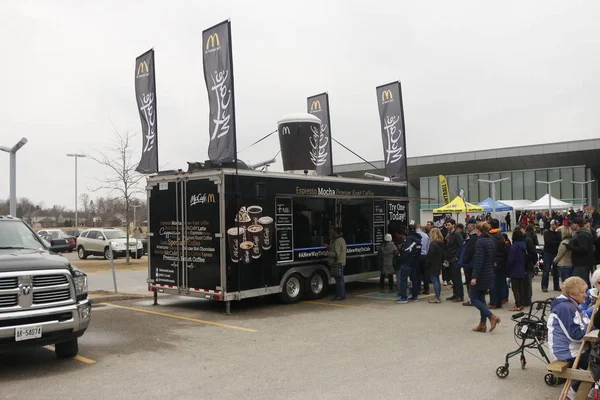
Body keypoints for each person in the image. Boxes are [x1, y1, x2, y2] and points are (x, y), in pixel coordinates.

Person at [547, 277, 590, 397]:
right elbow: (576, 335)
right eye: (582, 292)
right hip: (567, 352)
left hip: (576, 349)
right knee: (595, 364)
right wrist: (590, 328)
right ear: (572, 294)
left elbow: (585, 322)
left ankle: (581, 391)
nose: (585, 295)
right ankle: (573, 393)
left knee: (596, 357)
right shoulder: (564, 308)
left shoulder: (573, 305)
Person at [470, 222, 501, 333]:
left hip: (481, 274)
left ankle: (491, 317)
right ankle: (482, 324)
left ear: (478, 230)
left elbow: (478, 260)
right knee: (482, 298)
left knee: (474, 298)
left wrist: (474, 277)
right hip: (489, 272)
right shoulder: (490, 241)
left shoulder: (480, 242)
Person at [395, 225, 422, 304]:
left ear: (409, 230)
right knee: (414, 279)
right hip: (415, 262)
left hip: (407, 262)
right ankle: (414, 296)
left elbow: (407, 251)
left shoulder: (410, 239)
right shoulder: (419, 239)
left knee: (403, 280)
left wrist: (402, 256)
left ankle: (404, 297)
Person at [569, 217, 595, 288]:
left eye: (573, 224)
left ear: (576, 224)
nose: (571, 226)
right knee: (584, 281)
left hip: (581, 263)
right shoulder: (585, 233)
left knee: (581, 283)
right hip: (584, 262)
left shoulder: (582, 235)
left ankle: (586, 297)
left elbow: (583, 249)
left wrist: (571, 247)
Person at [489, 219, 509, 310]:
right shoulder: (501, 235)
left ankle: (494, 302)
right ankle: (502, 299)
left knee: (493, 282)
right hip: (502, 260)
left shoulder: (491, 236)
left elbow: (492, 250)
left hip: (494, 261)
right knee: (501, 281)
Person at [507, 229, 528, 311]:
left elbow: (511, 260)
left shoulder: (514, 247)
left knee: (515, 288)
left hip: (515, 269)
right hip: (522, 268)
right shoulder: (523, 246)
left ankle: (518, 305)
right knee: (520, 287)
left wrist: (508, 268)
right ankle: (521, 303)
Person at [459, 218, 478, 306]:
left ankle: (472, 299)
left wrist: (465, 260)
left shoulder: (473, 237)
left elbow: (470, 250)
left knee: (470, 281)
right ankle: (473, 298)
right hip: (470, 262)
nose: (467, 226)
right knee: (470, 281)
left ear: (472, 225)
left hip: (470, 263)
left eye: (468, 224)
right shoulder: (470, 236)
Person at [445, 219, 464, 303]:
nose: (447, 226)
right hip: (450, 258)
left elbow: (461, 245)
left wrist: (457, 257)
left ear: (453, 225)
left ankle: (460, 295)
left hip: (455, 258)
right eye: (446, 225)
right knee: (453, 277)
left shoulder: (456, 234)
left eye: (449, 225)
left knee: (457, 277)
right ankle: (455, 294)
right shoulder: (450, 234)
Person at [327, 227, 347, 301]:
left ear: (336, 233)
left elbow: (336, 253)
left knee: (339, 280)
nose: (332, 233)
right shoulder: (341, 240)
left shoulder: (337, 241)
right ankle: (342, 295)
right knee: (340, 279)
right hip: (341, 262)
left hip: (338, 263)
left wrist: (327, 253)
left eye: (334, 232)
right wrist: (328, 247)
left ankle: (340, 296)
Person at [542, 220, 562, 292]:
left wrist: (557, 242)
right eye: (555, 225)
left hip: (556, 252)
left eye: (557, 225)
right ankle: (544, 286)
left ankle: (556, 286)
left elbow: (560, 241)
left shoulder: (558, 233)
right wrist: (558, 242)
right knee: (546, 270)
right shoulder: (546, 232)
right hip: (548, 253)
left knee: (556, 270)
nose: (557, 226)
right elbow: (549, 242)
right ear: (552, 225)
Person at [426, 228, 445, 303]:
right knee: (437, 280)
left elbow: (430, 256)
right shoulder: (440, 243)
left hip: (433, 264)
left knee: (434, 280)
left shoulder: (433, 244)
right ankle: (438, 296)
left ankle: (437, 297)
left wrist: (427, 264)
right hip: (438, 263)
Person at [415, 224, 430, 295]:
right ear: (420, 228)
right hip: (424, 255)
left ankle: (418, 289)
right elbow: (428, 246)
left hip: (416, 256)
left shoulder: (413, 235)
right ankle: (426, 289)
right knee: (425, 273)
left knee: (417, 273)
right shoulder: (426, 235)